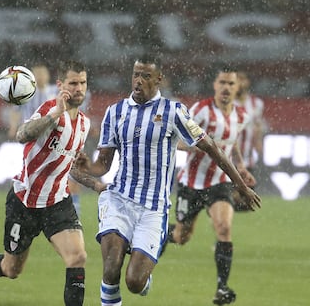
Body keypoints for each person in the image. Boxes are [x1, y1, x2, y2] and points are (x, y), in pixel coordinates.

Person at [73, 56, 261, 306]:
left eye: (146, 76)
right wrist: (89, 167)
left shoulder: (174, 112)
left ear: (159, 79)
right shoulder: (115, 112)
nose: (138, 81)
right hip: (119, 199)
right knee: (111, 267)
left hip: (153, 208)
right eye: (135, 74)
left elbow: (212, 148)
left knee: (134, 282)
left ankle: (143, 276)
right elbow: (103, 164)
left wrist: (240, 184)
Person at [0, 60, 99, 306]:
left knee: (77, 257)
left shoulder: (84, 124)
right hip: (25, 202)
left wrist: (94, 183)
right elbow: (22, 135)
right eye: (73, 83)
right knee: (12, 269)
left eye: (83, 83)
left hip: (57, 203)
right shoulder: (49, 109)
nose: (79, 88)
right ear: (61, 85)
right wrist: (54, 115)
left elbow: (67, 163)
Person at [166, 66, 259, 305]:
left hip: (220, 182)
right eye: (222, 83)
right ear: (215, 85)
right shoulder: (200, 111)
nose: (226, 88)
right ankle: (163, 233)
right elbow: (177, 137)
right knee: (182, 236)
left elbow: (233, 141)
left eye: (231, 83)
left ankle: (222, 288)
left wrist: (240, 165)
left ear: (238, 87)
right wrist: (196, 146)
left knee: (224, 228)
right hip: (191, 183)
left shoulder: (241, 115)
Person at [7, 63, 84, 215]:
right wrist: (13, 126)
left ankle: (73, 207)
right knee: (35, 171)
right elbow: (16, 110)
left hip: (58, 138)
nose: (41, 77)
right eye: (38, 74)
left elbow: (72, 107)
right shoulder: (28, 93)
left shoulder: (55, 92)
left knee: (70, 172)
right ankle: (32, 204)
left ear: (48, 76)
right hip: (35, 138)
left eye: (43, 74)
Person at [233, 71, 266, 211]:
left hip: (247, 156)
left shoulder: (256, 104)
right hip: (228, 155)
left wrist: (258, 142)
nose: (239, 83)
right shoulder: (225, 103)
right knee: (229, 197)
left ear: (247, 82)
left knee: (245, 204)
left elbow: (257, 125)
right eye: (236, 80)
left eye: (242, 79)